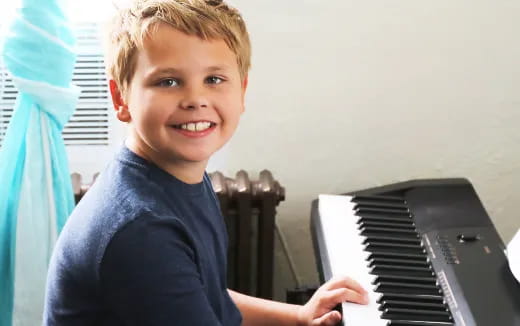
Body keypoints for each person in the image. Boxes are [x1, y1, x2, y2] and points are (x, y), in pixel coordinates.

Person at [43, 0, 369, 325]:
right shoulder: (142, 231)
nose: (196, 99)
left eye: (214, 79)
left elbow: (204, 295)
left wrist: (298, 316)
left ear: (241, 92)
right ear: (121, 99)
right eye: (168, 81)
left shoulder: (174, 177)